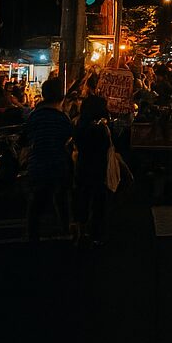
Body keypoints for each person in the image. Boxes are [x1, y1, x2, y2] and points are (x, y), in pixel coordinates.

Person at [24, 78, 75, 242]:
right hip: (58, 163)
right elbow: (69, 139)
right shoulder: (62, 118)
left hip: (37, 162)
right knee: (61, 197)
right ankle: (65, 228)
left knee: (37, 200)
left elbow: (26, 138)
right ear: (61, 97)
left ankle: (33, 234)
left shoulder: (34, 116)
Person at [72, 90, 113, 247]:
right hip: (98, 169)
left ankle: (80, 232)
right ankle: (95, 234)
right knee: (98, 203)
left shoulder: (78, 124)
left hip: (82, 167)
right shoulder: (99, 129)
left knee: (82, 198)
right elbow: (107, 148)